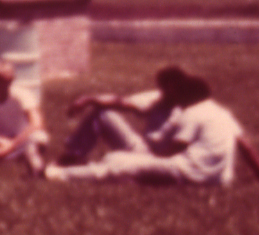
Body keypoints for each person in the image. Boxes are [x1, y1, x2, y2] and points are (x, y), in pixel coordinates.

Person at [44, 73, 259, 186]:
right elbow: (247, 147)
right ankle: (71, 159)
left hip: (178, 165)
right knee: (120, 159)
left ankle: (59, 173)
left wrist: (142, 162)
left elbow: (173, 151)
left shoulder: (192, 113)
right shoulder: (221, 113)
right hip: (210, 177)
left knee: (117, 163)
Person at [56, 64, 186, 167]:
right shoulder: (158, 99)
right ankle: (73, 156)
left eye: (172, 87)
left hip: (166, 162)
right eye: (164, 86)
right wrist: (89, 100)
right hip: (144, 151)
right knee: (103, 114)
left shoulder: (191, 108)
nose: (167, 91)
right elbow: (121, 102)